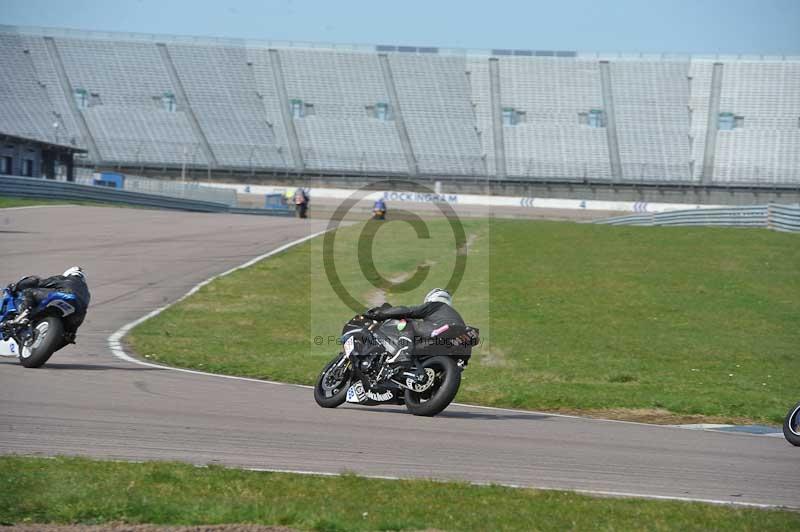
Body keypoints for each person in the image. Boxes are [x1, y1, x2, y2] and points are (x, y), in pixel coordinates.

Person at [364, 288, 466, 369]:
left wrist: (380, 314)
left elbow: (407, 311)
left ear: (431, 298)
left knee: (405, 321)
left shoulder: (436, 305)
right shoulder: (454, 315)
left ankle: (404, 353)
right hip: (461, 346)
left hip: (442, 331)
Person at [5, 266, 91, 344]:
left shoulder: (64, 279)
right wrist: (72, 332)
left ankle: (24, 314)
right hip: (77, 312)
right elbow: (83, 310)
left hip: (62, 296)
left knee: (29, 292)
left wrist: (16, 287)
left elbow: (37, 282)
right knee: (68, 336)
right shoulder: (87, 293)